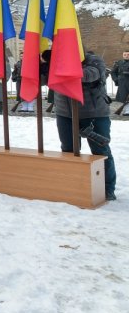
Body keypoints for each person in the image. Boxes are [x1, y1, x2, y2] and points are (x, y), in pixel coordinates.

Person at [54, 49, 117, 201]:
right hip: (65, 113)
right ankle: (73, 184)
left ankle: (107, 188)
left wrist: (64, 69)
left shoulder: (94, 60)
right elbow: (43, 79)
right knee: (68, 151)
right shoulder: (57, 62)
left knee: (101, 152)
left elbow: (90, 74)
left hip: (94, 114)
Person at [112, 50, 129, 114]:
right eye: (125, 55)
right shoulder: (119, 63)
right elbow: (113, 72)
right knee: (123, 98)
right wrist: (116, 80)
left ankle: (127, 110)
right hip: (122, 83)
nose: (126, 56)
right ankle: (125, 110)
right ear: (123, 55)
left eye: (128, 55)